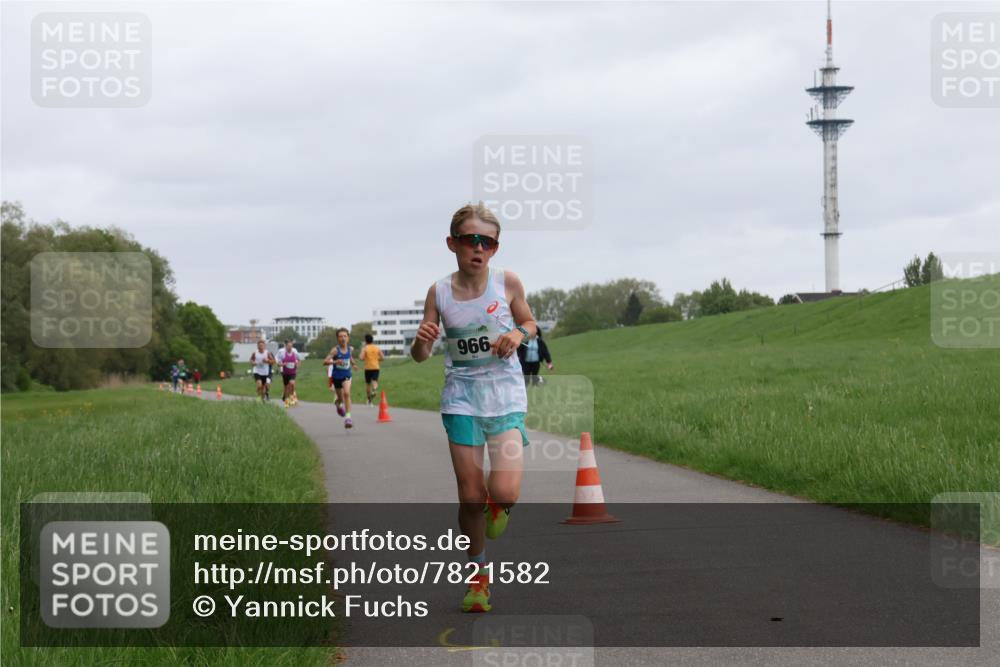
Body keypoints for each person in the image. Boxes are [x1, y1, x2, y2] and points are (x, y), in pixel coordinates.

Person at [411, 202, 537, 613]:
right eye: (470, 240)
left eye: (488, 242)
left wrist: (518, 334)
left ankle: (498, 505)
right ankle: (478, 577)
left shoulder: (508, 283)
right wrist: (422, 338)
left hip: (504, 396)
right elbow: (420, 355)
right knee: (469, 496)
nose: (478, 248)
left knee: (504, 490)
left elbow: (531, 324)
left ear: (496, 249)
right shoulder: (440, 292)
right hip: (461, 396)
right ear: (453, 244)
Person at [324, 328, 360, 428]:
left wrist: (354, 364)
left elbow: (349, 357)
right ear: (337, 338)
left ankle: (348, 418)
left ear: (348, 338)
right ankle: (338, 404)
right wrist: (335, 362)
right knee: (340, 398)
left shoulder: (350, 349)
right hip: (337, 377)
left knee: (347, 393)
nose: (343, 338)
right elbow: (325, 362)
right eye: (340, 336)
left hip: (347, 375)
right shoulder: (335, 350)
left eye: (345, 336)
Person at [358, 333, 385, 405]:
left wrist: (364, 357)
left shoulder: (365, 348)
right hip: (376, 367)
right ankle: (374, 390)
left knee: (368, 384)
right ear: (372, 340)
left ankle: (369, 400)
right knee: (375, 381)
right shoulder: (377, 348)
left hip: (368, 368)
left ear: (366, 341)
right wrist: (376, 359)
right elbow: (382, 357)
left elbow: (361, 358)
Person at [276, 340, 302, 407]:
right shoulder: (282, 353)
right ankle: (286, 400)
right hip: (285, 373)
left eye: (291, 346)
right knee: (287, 387)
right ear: (286, 346)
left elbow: (299, 360)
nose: (289, 347)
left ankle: (292, 398)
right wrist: (282, 364)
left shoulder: (295, 353)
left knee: (292, 384)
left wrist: (298, 365)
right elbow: (278, 363)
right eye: (288, 346)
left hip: (293, 372)